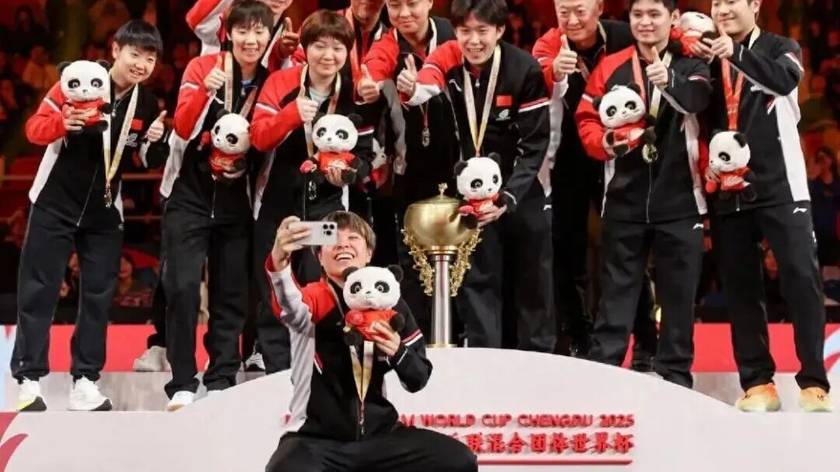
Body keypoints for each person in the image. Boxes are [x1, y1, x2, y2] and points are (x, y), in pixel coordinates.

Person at [14, 20, 169, 412]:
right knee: (39, 289)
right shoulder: (77, 79)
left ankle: (85, 380)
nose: (141, 64)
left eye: (150, 58)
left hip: (104, 211)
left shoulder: (147, 103)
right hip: (54, 202)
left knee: (98, 297)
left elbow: (146, 159)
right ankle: (29, 379)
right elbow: (34, 129)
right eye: (135, 54)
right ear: (115, 50)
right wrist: (61, 123)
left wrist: (157, 142)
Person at [693, 0, 832, 411]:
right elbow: (701, 119)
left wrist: (734, 53)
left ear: (754, 5)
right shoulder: (707, 60)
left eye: (732, 1)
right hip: (729, 187)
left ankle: (813, 383)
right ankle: (757, 384)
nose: (722, 10)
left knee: (801, 279)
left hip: (782, 186)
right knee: (740, 286)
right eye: (717, 3)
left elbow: (784, 81)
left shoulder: (781, 47)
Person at [263, 210, 477, 472]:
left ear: (368, 254)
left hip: (381, 437)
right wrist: (280, 263)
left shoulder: (390, 303)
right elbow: (289, 304)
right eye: (332, 239)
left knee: (458, 460)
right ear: (319, 257)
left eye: (353, 238)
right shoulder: (313, 299)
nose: (342, 244)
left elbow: (418, 378)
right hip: (316, 440)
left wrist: (398, 351)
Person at [399, 0, 555, 351]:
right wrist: (412, 90)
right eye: (465, 31)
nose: (473, 41)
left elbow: (535, 144)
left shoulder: (524, 69)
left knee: (532, 284)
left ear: (499, 31)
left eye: (482, 31)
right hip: (472, 197)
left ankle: (539, 364)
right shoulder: (451, 61)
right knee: (478, 286)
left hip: (521, 190)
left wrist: (507, 198)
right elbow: (427, 80)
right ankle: (486, 364)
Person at [575, 0, 711, 388]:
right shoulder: (610, 66)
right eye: (638, 15)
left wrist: (669, 80)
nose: (646, 22)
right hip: (623, 198)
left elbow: (698, 101)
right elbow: (586, 119)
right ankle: (604, 375)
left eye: (655, 14)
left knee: (678, 296)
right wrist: (606, 143)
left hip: (680, 198)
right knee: (616, 294)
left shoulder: (692, 63)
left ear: (673, 18)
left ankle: (676, 377)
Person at [161, 0, 272, 410]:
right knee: (182, 288)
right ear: (228, 34)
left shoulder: (270, 81)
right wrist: (206, 91)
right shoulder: (201, 68)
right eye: (243, 31)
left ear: (268, 35)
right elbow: (182, 126)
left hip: (236, 202)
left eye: (259, 31)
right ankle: (182, 381)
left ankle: (222, 375)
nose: (251, 39)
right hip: (190, 197)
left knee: (231, 294)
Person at [250, 9, 375, 374]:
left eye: (337, 48)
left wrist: (347, 174)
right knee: (276, 282)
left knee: (322, 286)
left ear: (347, 52)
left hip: (327, 208)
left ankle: (323, 370)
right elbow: (258, 138)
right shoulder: (280, 83)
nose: (328, 55)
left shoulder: (354, 92)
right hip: (279, 204)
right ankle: (277, 373)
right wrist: (290, 115)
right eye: (320, 46)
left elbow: (366, 156)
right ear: (305, 49)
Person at [531, 0, 657, 359]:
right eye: (563, 11)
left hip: (621, 157)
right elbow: (536, 79)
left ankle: (646, 340)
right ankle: (578, 336)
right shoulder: (549, 45)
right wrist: (554, 72)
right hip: (569, 159)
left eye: (580, 10)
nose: (572, 20)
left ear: (599, 7)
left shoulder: (624, 37)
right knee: (565, 249)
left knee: (625, 248)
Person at [357, 0, 459, 336]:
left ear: (429, 2)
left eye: (412, 3)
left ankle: (463, 338)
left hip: (461, 169)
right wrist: (368, 84)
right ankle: (419, 339)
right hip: (410, 170)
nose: (403, 14)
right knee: (414, 264)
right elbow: (372, 68)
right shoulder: (387, 45)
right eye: (394, 5)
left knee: (464, 263)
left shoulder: (453, 34)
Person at [187, 0, 300, 71]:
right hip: (210, 97)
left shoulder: (289, 38)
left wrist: (282, 56)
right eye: (242, 32)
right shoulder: (222, 20)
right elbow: (195, 20)